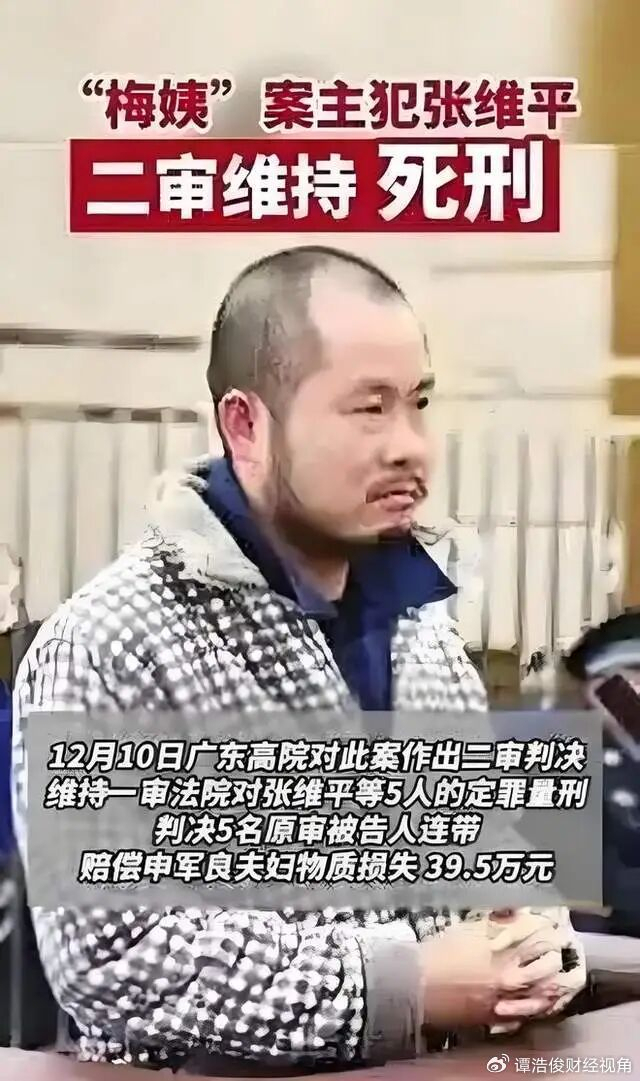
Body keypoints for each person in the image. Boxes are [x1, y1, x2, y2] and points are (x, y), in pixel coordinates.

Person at [12, 246, 585, 1072]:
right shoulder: (111, 641)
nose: (411, 446)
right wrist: (406, 985)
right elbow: (114, 957)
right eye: (368, 409)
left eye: (419, 403)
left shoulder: (419, 627)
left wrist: (532, 941)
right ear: (246, 425)